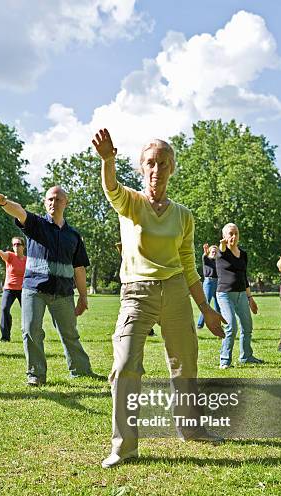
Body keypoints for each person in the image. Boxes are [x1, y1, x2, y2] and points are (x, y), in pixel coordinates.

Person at [92, 128, 225, 468]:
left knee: (185, 363)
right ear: (141, 168)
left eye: (162, 163)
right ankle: (124, 447)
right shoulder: (131, 203)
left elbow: (188, 265)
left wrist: (206, 309)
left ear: (172, 168)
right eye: (150, 163)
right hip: (137, 293)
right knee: (125, 366)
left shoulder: (183, 215)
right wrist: (109, 160)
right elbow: (111, 189)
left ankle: (191, 429)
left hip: (177, 292)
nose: (156, 169)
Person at [0, 187, 93, 386]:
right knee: (31, 330)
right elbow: (19, 211)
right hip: (33, 289)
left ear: (66, 203)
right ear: (45, 203)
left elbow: (79, 268)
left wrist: (83, 297)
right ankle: (36, 374)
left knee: (70, 333)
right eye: (50, 199)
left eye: (58, 199)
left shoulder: (74, 236)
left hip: (63, 293)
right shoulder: (36, 224)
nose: (54, 202)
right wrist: (4, 203)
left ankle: (81, 370)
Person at [216, 223, 263, 368]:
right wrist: (222, 245)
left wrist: (250, 298)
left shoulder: (243, 254)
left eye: (236, 233)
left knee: (247, 326)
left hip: (242, 294)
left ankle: (246, 356)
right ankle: (224, 361)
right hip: (225, 295)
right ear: (224, 236)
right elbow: (221, 250)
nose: (234, 236)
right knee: (231, 326)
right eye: (230, 233)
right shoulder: (220, 251)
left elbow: (244, 277)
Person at [0, 237, 26, 342]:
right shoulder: (10, 256)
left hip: (23, 289)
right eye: (14, 244)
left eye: (18, 244)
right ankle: (5, 337)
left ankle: (29, 334)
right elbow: (3, 254)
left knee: (27, 312)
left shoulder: (27, 260)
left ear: (23, 246)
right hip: (9, 289)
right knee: (4, 309)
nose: (16, 246)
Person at [197, 243, 221, 329]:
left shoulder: (218, 261)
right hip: (209, 283)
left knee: (219, 304)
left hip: (218, 283)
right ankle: (200, 324)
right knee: (206, 303)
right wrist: (205, 253)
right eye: (212, 251)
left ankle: (218, 323)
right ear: (210, 252)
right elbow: (204, 256)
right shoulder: (206, 259)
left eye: (216, 251)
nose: (214, 252)